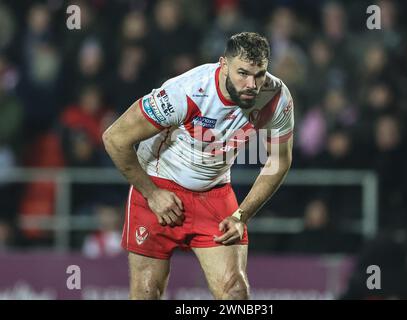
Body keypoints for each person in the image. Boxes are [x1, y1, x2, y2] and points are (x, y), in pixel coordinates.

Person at [103, 32, 294, 300]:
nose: (252, 84)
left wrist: (242, 215)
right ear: (223, 65)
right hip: (160, 186)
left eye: (259, 74)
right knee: (147, 293)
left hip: (215, 191)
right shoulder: (186, 92)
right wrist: (152, 194)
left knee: (236, 293)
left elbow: (279, 160)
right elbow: (115, 138)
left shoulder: (276, 98)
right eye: (242, 73)